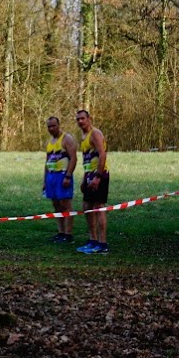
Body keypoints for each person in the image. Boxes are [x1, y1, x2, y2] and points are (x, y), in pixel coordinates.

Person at [76, 109, 110, 254]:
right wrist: (85, 178)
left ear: (89, 118)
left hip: (100, 175)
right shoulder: (84, 137)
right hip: (89, 175)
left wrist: (97, 177)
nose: (80, 121)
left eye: (82, 118)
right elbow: (87, 160)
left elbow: (102, 155)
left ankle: (102, 244)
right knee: (86, 206)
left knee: (98, 206)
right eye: (78, 119)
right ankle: (93, 240)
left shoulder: (95, 133)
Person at [42, 115, 78, 244]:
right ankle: (60, 232)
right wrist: (45, 180)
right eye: (49, 126)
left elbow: (73, 158)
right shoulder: (50, 142)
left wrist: (68, 175)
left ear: (59, 125)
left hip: (62, 176)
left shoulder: (67, 139)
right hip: (51, 176)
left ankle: (68, 234)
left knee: (65, 205)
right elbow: (47, 161)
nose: (51, 128)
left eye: (53, 126)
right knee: (56, 205)